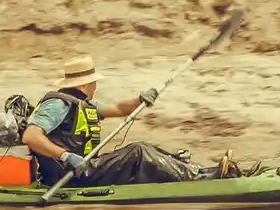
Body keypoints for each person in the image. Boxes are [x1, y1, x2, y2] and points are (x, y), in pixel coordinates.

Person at [22, 54, 204, 187]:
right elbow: (30, 136)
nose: (96, 86)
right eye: (94, 82)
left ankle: (199, 171)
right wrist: (65, 156)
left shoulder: (84, 104)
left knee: (143, 148)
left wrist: (141, 100)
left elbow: (118, 109)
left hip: (84, 168)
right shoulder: (58, 104)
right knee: (137, 153)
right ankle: (200, 179)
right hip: (68, 175)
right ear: (85, 84)